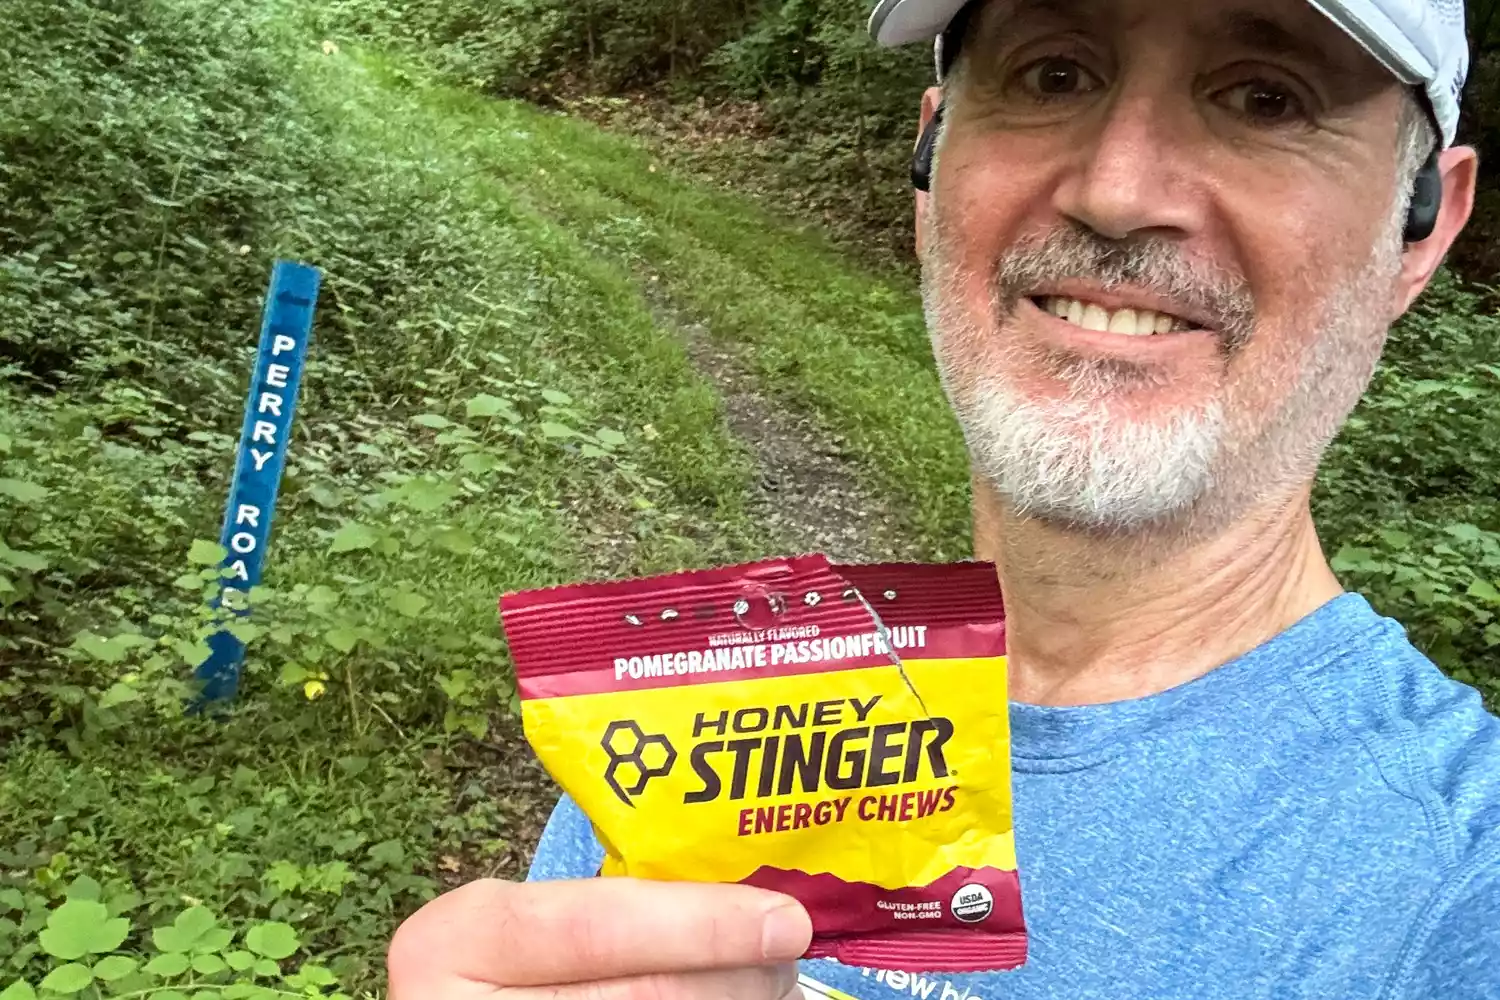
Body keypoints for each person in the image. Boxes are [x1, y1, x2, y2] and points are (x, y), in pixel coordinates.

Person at [386, 0, 1500, 996]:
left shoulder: (1458, 879)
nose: (1117, 191)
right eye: (1054, 73)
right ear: (930, 159)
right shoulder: (689, 725)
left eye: (1266, 97)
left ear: (1424, 230)